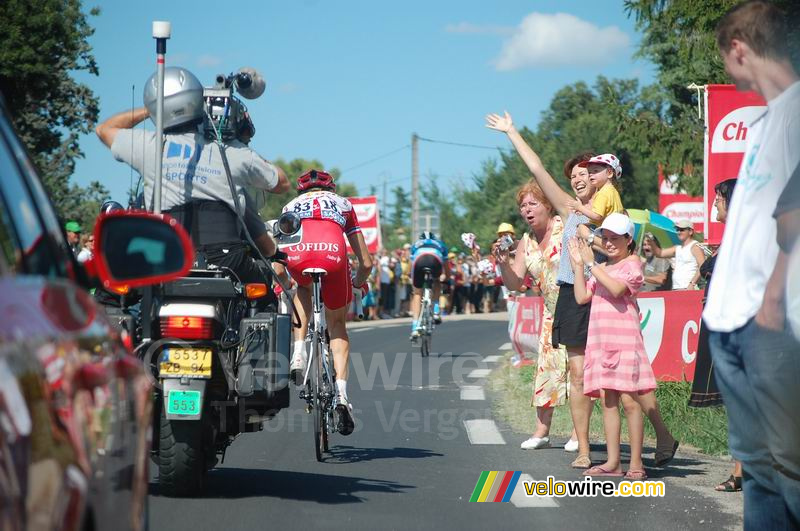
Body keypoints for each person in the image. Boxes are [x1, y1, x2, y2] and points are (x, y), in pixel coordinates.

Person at [486, 111, 678, 469]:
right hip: (571, 293)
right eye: (573, 176)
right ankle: (585, 449)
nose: (578, 179)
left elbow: (613, 248)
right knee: (578, 374)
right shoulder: (568, 208)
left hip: (602, 294)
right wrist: (512, 131)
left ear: (599, 180)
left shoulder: (608, 212)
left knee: (622, 383)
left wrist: (592, 242)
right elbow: (538, 167)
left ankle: (660, 436)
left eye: (585, 174)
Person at [704, 2, 800, 526]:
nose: (725, 68)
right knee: (759, 471)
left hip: (771, 324)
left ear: (738, 49)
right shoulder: (766, 120)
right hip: (735, 322)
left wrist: (771, 300)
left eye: (724, 56)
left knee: (790, 469)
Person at [95, 66, 289, 283]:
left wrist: (155, 107)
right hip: (226, 258)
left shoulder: (150, 146)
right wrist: (245, 149)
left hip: (164, 256)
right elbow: (281, 182)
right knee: (264, 299)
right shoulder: (234, 152)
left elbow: (104, 130)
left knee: (125, 300)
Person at [567, 214, 674, 480]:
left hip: (625, 344)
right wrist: (579, 266)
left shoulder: (632, 264)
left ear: (629, 240)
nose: (610, 242)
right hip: (601, 343)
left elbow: (616, 290)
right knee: (609, 400)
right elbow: (582, 296)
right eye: (606, 238)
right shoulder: (604, 266)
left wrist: (592, 264)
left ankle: (636, 464)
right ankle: (614, 462)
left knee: (630, 401)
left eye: (615, 238)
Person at [282, 170, 372, 435]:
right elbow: (366, 261)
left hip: (299, 257)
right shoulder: (344, 204)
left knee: (302, 287)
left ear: (301, 191)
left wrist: (284, 285)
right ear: (331, 189)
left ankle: (299, 352)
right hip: (333, 257)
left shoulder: (290, 206)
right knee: (337, 326)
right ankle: (342, 396)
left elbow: (278, 263)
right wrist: (358, 284)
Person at [494, 181, 569, 451]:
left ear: (548, 205)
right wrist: (502, 262)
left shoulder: (566, 226)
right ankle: (542, 431)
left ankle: (577, 433)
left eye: (532, 203)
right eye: (522, 205)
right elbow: (515, 284)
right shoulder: (525, 241)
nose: (526, 210)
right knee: (547, 368)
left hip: (579, 305)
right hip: (551, 310)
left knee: (578, 371)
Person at [686, 178, 743, 492]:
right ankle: (742, 470)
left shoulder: (742, 235)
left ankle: (745, 472)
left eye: (718, 199)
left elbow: (718, 271)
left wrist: (699, 257)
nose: (715, 205)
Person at [409, 231, 449, 340]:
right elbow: (446, 267)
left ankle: (415, 327)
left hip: (419, 261)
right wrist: (447, 279)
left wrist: (411, 278)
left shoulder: (415, 245)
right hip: (434, 260)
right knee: (437, 282)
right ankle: (436, 311)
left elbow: (410, 266)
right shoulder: (440, 245)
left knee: (417, 293)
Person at [646, 219, 705, 290]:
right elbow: (659, 253)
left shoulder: (695, 246)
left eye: (682, 230)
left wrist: (692, 283)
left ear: (690, 231)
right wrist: (651, 241)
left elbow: (702, 266)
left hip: (689, 288)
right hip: (676, 288)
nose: (679, 232)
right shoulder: (677, 248)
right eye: (678, 229)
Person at [570, 154, 624, 225]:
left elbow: (597, 216)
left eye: (595, 171)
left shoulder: (602, 194)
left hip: (604, 230)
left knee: (581, 227)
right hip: (614, 229)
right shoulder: (613, 191)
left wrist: (580, 208)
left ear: (610, 173)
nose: (591, 174)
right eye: (589, 172)